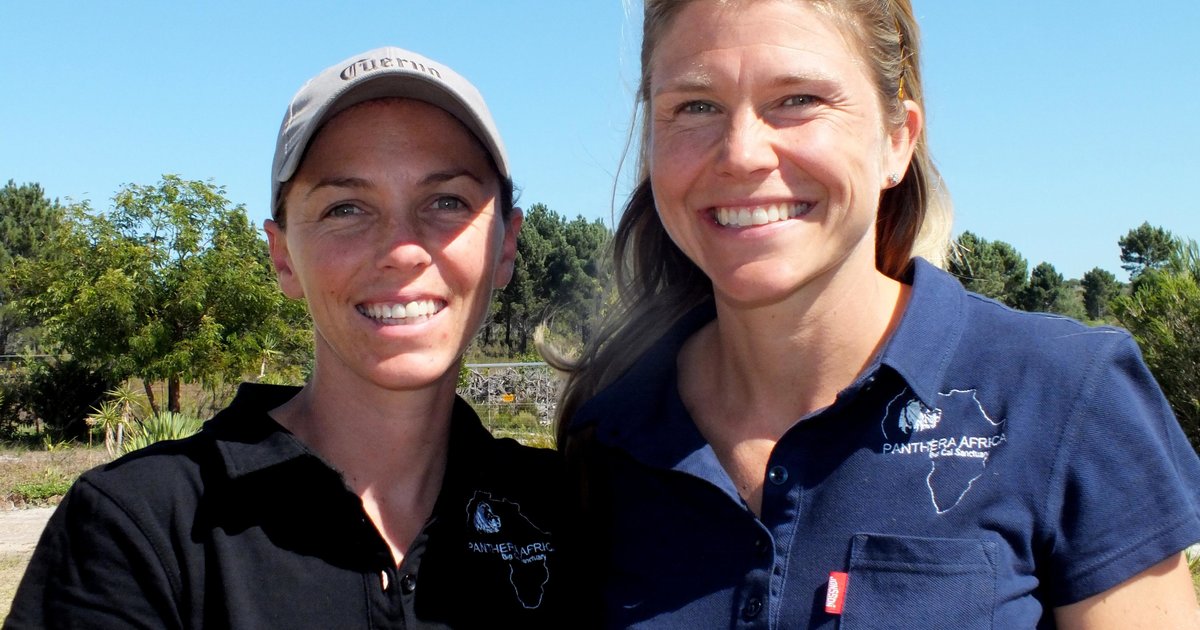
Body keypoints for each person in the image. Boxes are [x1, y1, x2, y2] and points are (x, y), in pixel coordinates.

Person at [551, 1, 1200, 628]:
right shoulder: (608, 436)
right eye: (696, 106)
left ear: (897, 140)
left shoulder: (1066, 395)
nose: (741, 152)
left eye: (798, 99)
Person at [7, 46, 569, 629]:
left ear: (506, 245)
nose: (402, 250)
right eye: (346, 208)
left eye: (447, 201)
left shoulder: (577, 513)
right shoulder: (138, 527)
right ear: (283, 258)